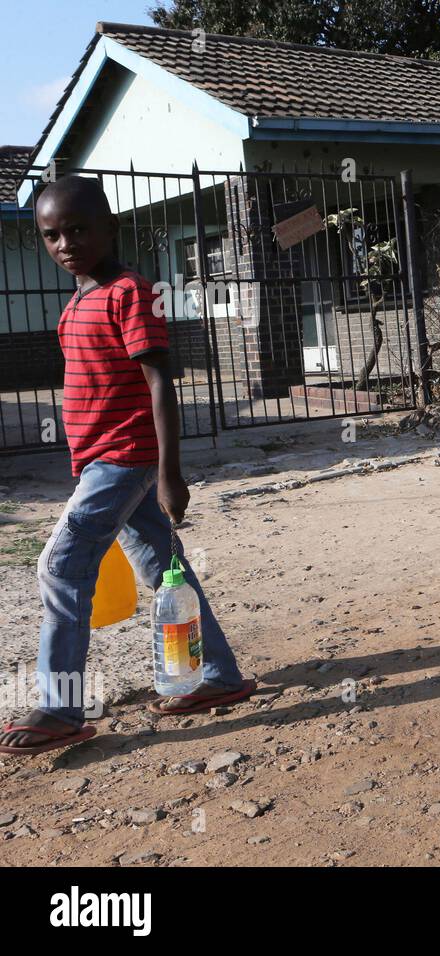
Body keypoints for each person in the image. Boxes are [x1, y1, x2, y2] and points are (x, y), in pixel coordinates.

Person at [0, 176, 254, 757]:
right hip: (100, 461)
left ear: (111, 228)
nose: (66, 242)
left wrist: (169, 472)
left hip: (126, 457)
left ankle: (60, 708)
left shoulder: (130, 292)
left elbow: (161, 381)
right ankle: (218, 676)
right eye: (51, 234)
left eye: (79, 229)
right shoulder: (75, 306)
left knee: (60, 567)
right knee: (166, 570)